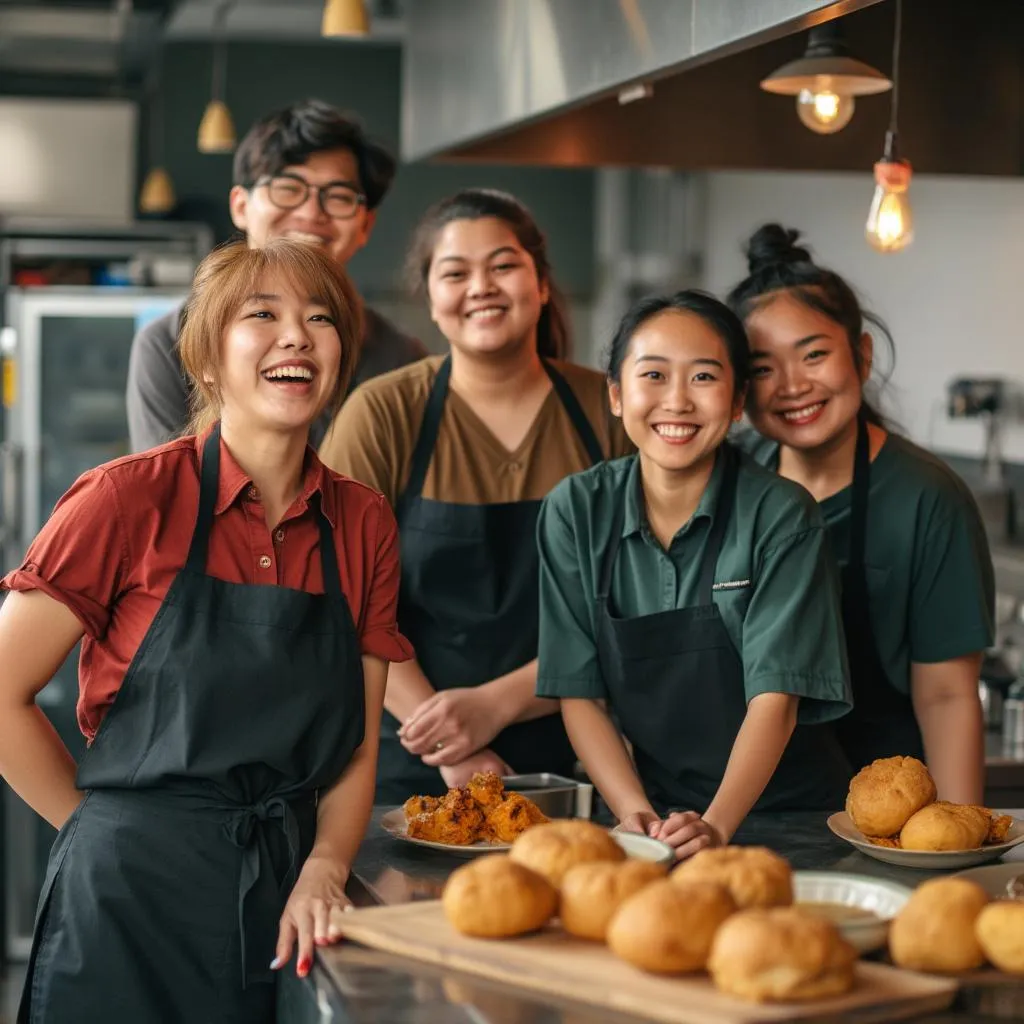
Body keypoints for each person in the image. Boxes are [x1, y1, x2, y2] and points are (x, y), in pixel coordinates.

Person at [0, 239, 412, 1022]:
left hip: (286, 896)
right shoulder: (126, 500)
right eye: (264, 315)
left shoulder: (362, 521)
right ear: (208, 361)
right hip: (127, 902)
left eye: (319, 318)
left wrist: (327, 866)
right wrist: (97, 834)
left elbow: (358, 742)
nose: (296, 335)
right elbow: (1, 692)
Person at [319, 188, 632, 803]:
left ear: (541, 284)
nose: (481, 286)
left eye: (504, 266)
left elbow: (638, 597)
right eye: (456, 272)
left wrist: (497, 704)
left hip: (581, 756)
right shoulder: (383, 413)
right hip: (407, 757)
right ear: (431, 301)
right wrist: (446, 739)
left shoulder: (610, 409)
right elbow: (341, 596)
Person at [536, 291, 853, 860]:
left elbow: (774, 699)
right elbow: (578, 691)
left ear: (736, 404)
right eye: (653, 375)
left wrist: (716, 825)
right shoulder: (576, 510)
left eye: (703, 377)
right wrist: (633, 814)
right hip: (659, 820)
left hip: (792, 819)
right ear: (616, 393)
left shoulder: (782, 515)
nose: (677, 401)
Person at [727, 224, 993, 803]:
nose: (793, 386)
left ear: (862, 355)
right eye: (763, 368)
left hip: (883, 815)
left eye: (814, 354)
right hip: (742, 806)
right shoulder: (729, 477)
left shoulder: (927, 496)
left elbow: (947, 697)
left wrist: (950, 848)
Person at [127, 97, 426, 452]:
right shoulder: (170, 343)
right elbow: (171, 489)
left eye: (339, 196)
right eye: (287, 189)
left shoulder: (401, 359)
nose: (311, 212)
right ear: (241, 206)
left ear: (365, 225)